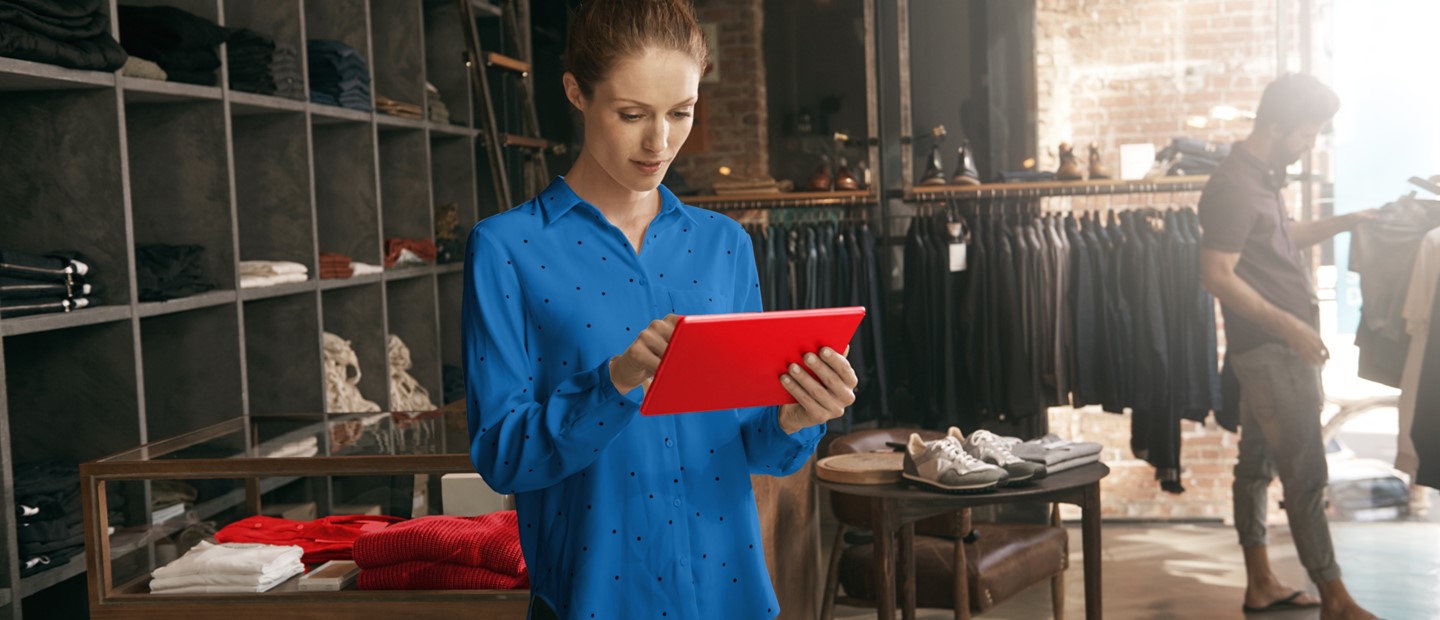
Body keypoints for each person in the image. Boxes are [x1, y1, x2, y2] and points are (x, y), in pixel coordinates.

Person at [460, 1, 857, 618]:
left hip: (729, 592)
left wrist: (797, 415)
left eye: (681, 112)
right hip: (595, 598)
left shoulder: (725, 245)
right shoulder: (506, 248)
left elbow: (755, 445)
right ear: (576, 92)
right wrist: (614, 382)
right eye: (632, 114)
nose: (660, 141)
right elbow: (502, 455)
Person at [1199, 74, 1377, 620]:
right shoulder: (1233, 186)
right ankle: (1335, 598)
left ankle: (1261, 584)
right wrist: (1292, 328)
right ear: (1275, 127)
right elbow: (1217, 275)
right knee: (1306, 473)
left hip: (1271, 351)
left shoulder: (1261, 178)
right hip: (1274, 352)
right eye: (1307, 133)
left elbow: (1286, 237)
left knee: (1255, 468)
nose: (1311, 143)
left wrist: (1349, 221)